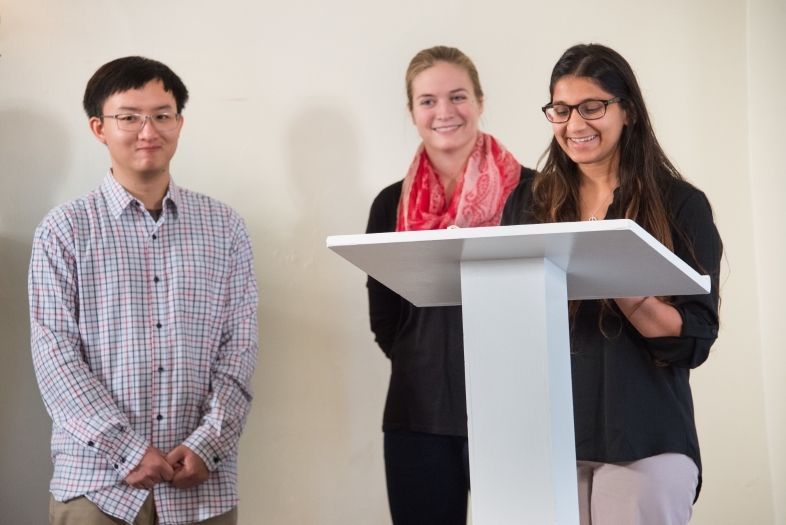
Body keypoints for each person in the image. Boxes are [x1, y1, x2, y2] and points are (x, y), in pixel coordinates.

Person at [28, 56, 258, 525]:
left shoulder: (225, 228)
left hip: (200, 484)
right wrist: (127, 449)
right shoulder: (64, 231)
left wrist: (208, 443)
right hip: (97, 485)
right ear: (99, 128)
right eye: (129, 117)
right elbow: (55, 359)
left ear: (179, 121)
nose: (147, 130)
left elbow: (240, 348)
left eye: (162, 115)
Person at [501, 44, 723, 525]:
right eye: (561, 110)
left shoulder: (681, 205)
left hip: (645, 438)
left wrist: (614, 273)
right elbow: (514, 323)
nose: (575, 125)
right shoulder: (528, 203)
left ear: (630, 113)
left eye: (592, 107)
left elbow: (695, 337)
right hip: (549, 440)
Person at [366, 45, 534, 525]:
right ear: (412, 112)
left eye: (458, 96)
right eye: (428, 100)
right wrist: (427, 359)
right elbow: (385, 317)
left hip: (519, 409)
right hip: (419, 414)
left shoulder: (537, 191)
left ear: (480, 101)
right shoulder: (388, 206)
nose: (444, 112)